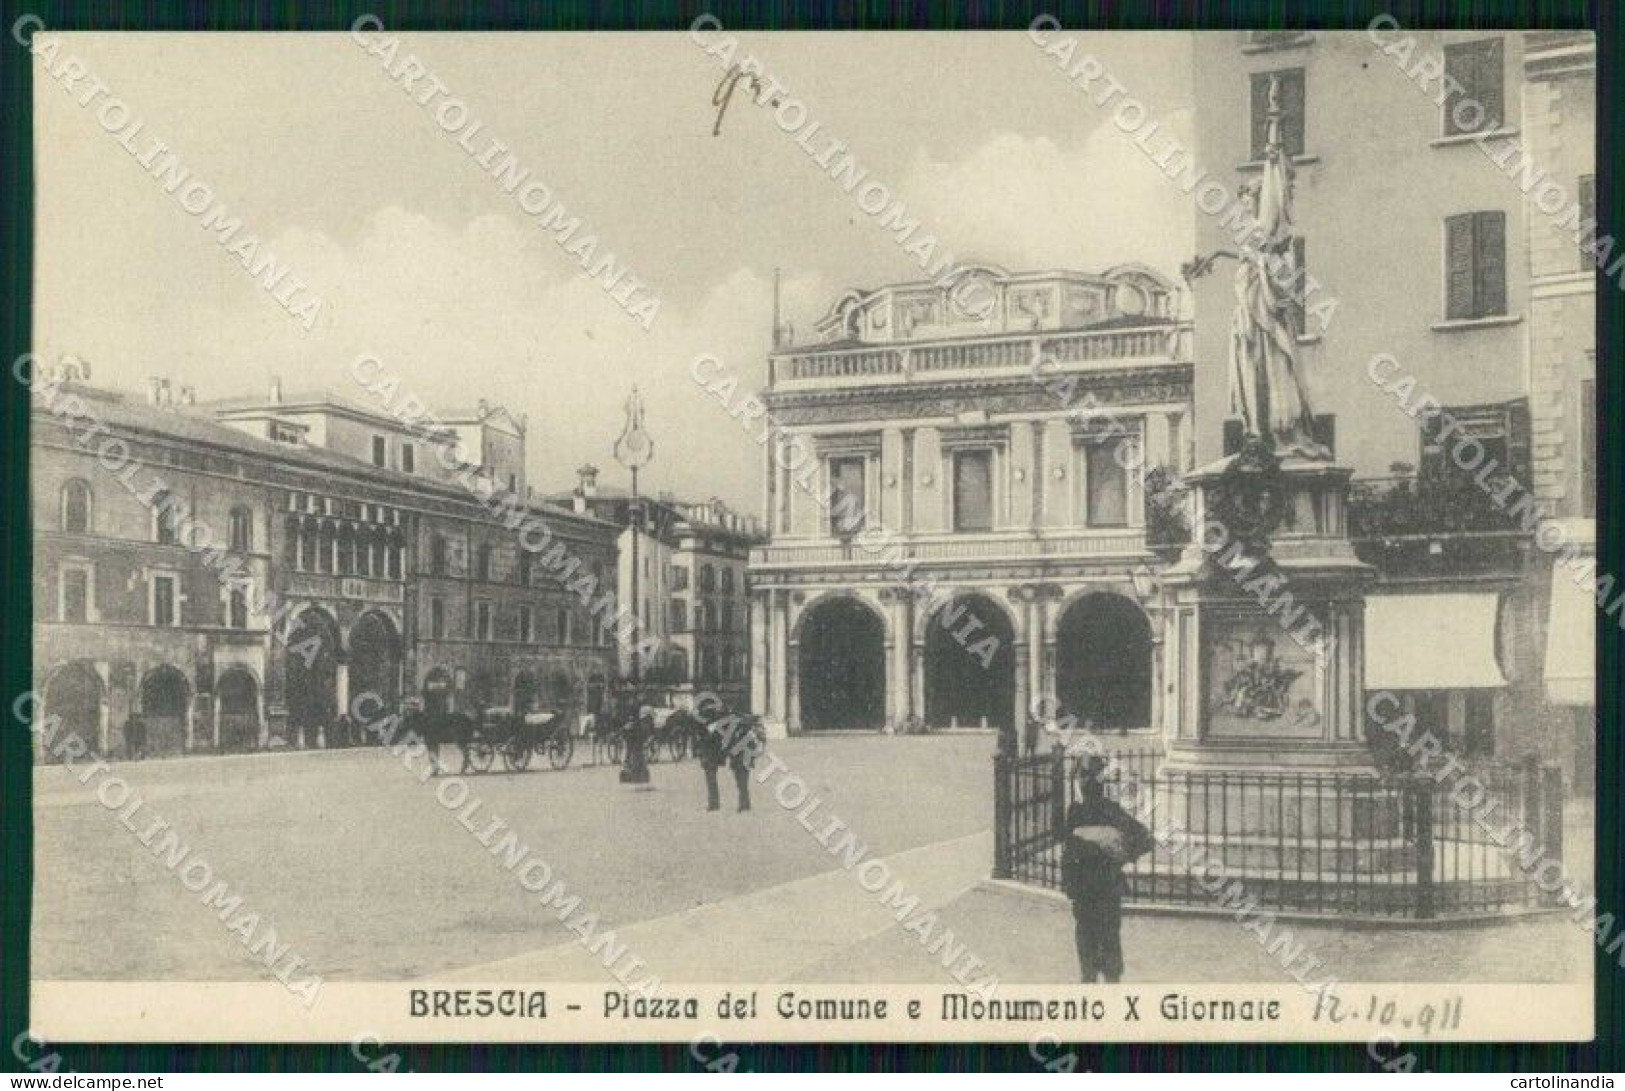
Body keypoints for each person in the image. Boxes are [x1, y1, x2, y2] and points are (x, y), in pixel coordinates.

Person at [1061, 755, 1153, 984]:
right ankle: (1098, 978)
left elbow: (1143, 839)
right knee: (1099, 935)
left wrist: (1116, 853)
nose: (1086, 782)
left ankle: (1099, 979)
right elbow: (1143, 839)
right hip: (1096, 886)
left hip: (1094, 886)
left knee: (1096, 935)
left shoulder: (1080, 813)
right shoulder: (1087, 812)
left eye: (1089, 777)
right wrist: (1117, 853)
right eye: (1084, 776)